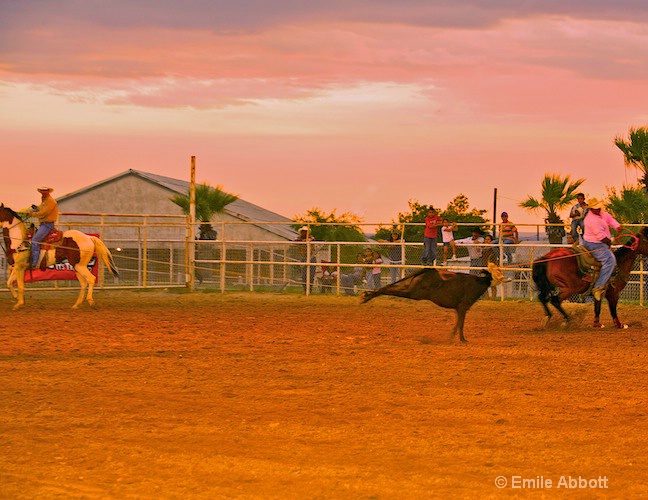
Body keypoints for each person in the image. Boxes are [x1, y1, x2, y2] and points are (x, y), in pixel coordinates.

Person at [582, 198, 623, 300]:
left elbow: (609, 219)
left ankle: (607, 279)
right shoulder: (591, 220)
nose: (598, 209)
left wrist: (617, 226)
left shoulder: (601, 213)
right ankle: (598, 287)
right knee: (610, 260)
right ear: (591, 209)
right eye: (596, 208)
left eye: (599, 207)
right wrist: (611, 241)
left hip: (599, 242)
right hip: (593, 243)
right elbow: (601, 237)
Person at [29, 186, 59, 269]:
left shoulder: (50, 201)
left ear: (48, 192)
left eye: (44, 191)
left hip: (47, 224)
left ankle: (34, 263)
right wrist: (36, 208)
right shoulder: (45, 200)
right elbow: (42, 209)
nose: (43, 192)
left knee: (35, 240)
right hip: (44, 224)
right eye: (42, 191)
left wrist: (33, 214)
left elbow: (44, 213)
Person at [293, 226, 316, 292]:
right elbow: (295, 241)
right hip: (303, 257)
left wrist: (305, 241)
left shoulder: (311, 238)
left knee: (311, 275)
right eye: (303, 232)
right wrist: (302, 240)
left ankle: (309, 290)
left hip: (311, 257)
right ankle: (305, 289)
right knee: (304, 275)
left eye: (306, 232)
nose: (304, 233)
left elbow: (311, 240)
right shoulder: (298, 238)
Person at [481, 234, 499, 299]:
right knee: (484, 285)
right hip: (484, 267)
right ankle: (487, 299)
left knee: (493, 285)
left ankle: (493, 299)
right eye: (486, 239)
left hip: (491, 268)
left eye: (488, 239)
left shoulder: (493, 249)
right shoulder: (483, 249)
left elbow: (496, 256)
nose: (487, 241)